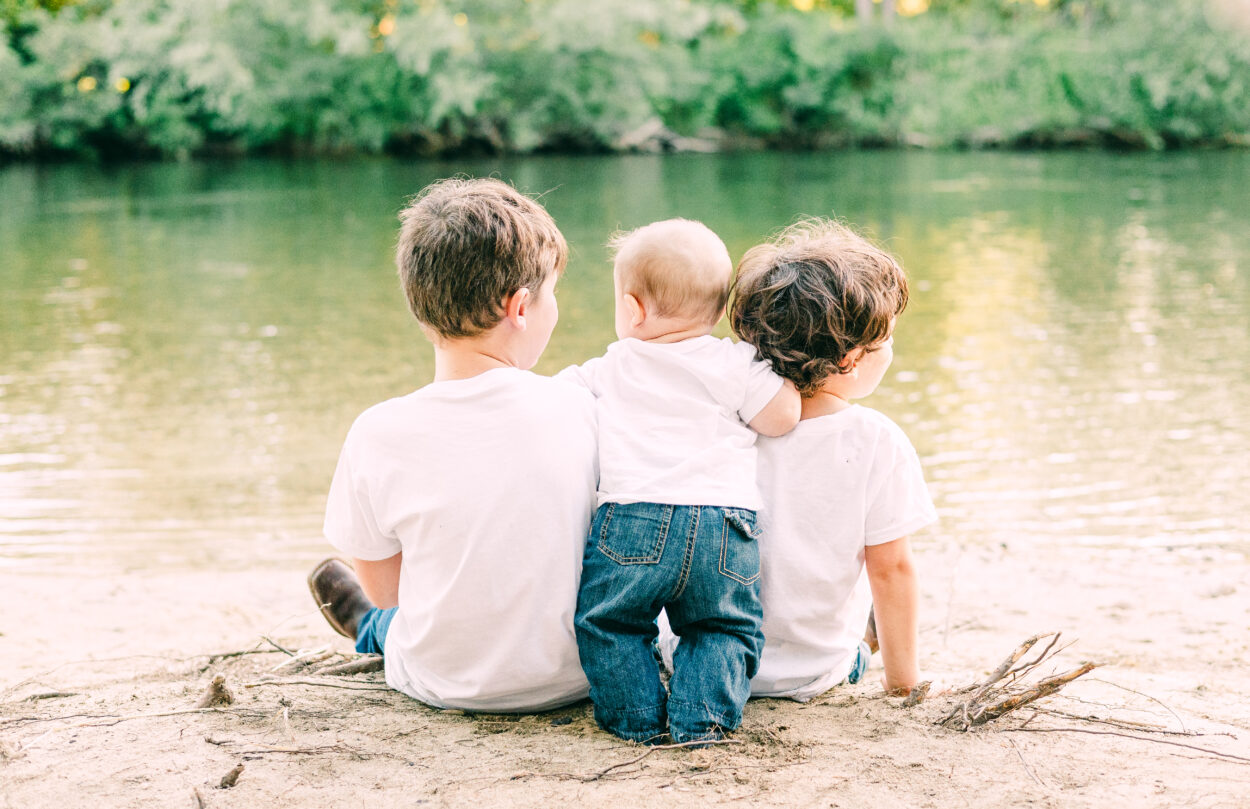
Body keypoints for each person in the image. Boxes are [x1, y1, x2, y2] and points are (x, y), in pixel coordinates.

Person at [307, 177, 598, 712]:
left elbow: (388, 587)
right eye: (553, 293)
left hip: (441, 681)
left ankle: (368, 630)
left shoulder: (377, 431)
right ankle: (374, 629)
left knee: (388, 617)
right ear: (521, 307)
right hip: (575, 674)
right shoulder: (581, 406)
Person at [561, 219, 801, 743]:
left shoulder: (611, 365)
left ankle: (638, 720)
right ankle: (702, 723)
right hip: (723, 522)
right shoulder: (736, 362)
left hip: (633, 520)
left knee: (612, 624)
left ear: (633, 308)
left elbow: (552, 405)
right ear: (719, 312)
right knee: (721, 626)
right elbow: (782, 417)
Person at [729, 219, 937, 701]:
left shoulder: (723, 422)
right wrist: (903, 686)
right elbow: (892, 571)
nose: (890, 350)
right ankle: (867, 647)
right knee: (866, 625)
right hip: (812, 672)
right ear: (849, 359)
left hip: (707, 659)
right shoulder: (875, 441)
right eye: (884, 341)